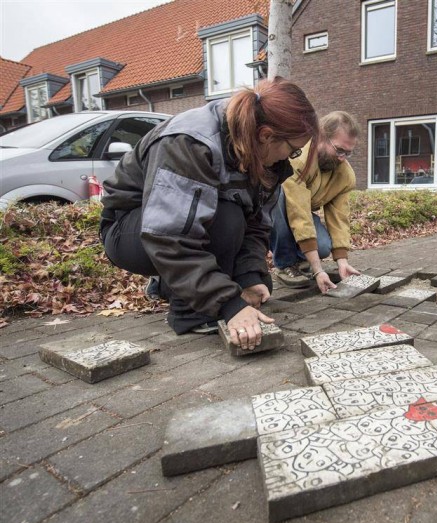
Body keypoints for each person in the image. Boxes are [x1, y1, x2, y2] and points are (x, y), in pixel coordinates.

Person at [100, 78, 319, 350]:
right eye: (293, 149)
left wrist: (249, 276)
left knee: (259, 284)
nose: (291, 157)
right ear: (266, 135)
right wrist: (230, 304)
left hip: (176, 232)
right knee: (226, 216)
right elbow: (169, 236)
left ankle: (172, 286)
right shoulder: (190, 143)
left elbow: (257, 226)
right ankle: (187, 312)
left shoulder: (267, 160)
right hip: (131, 232)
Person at [270, 111, 361, 294]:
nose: (342, 158)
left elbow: (339, 218)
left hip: (300, 211)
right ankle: (285, 264)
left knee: (323, 246)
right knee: (278, 196)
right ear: (320, 137)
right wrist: (318, 270)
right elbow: (298, 212)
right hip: (273, 209)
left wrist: (342, 261)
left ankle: (300, 260)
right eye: (339, 150)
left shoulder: (345, 175)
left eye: (348, 153)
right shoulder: (298, 158)